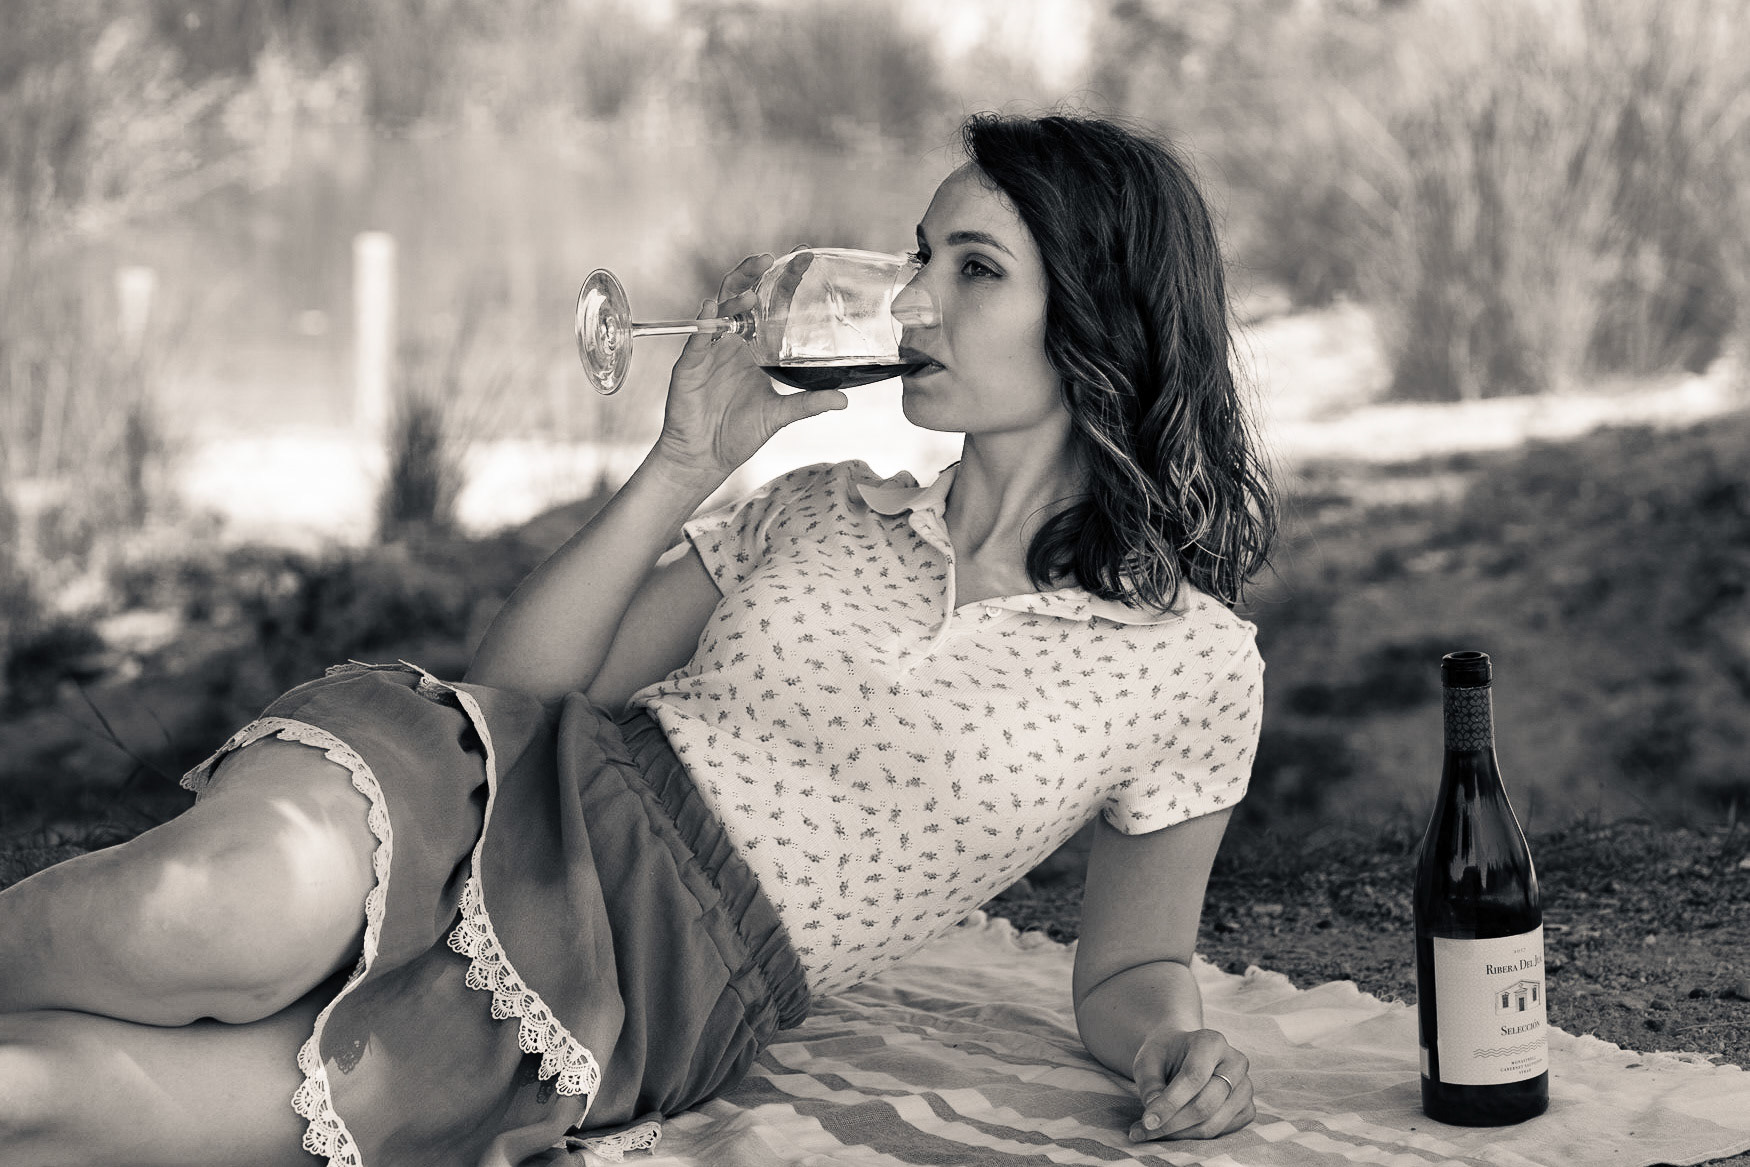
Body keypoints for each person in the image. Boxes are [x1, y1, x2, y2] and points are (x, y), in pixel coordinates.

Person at [0, 111, 1277, 1166]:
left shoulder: (1191, 663)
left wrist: (1174, 1044)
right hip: (522, 801)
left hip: (650, 991)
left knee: (39, 1102)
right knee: (201, 919)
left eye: (974, 270)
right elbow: (518, 692)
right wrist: (682, 465)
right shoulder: (821, 505)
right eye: (919, 255)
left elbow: (1134, 964)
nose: (910, 301)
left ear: (1099, 313)